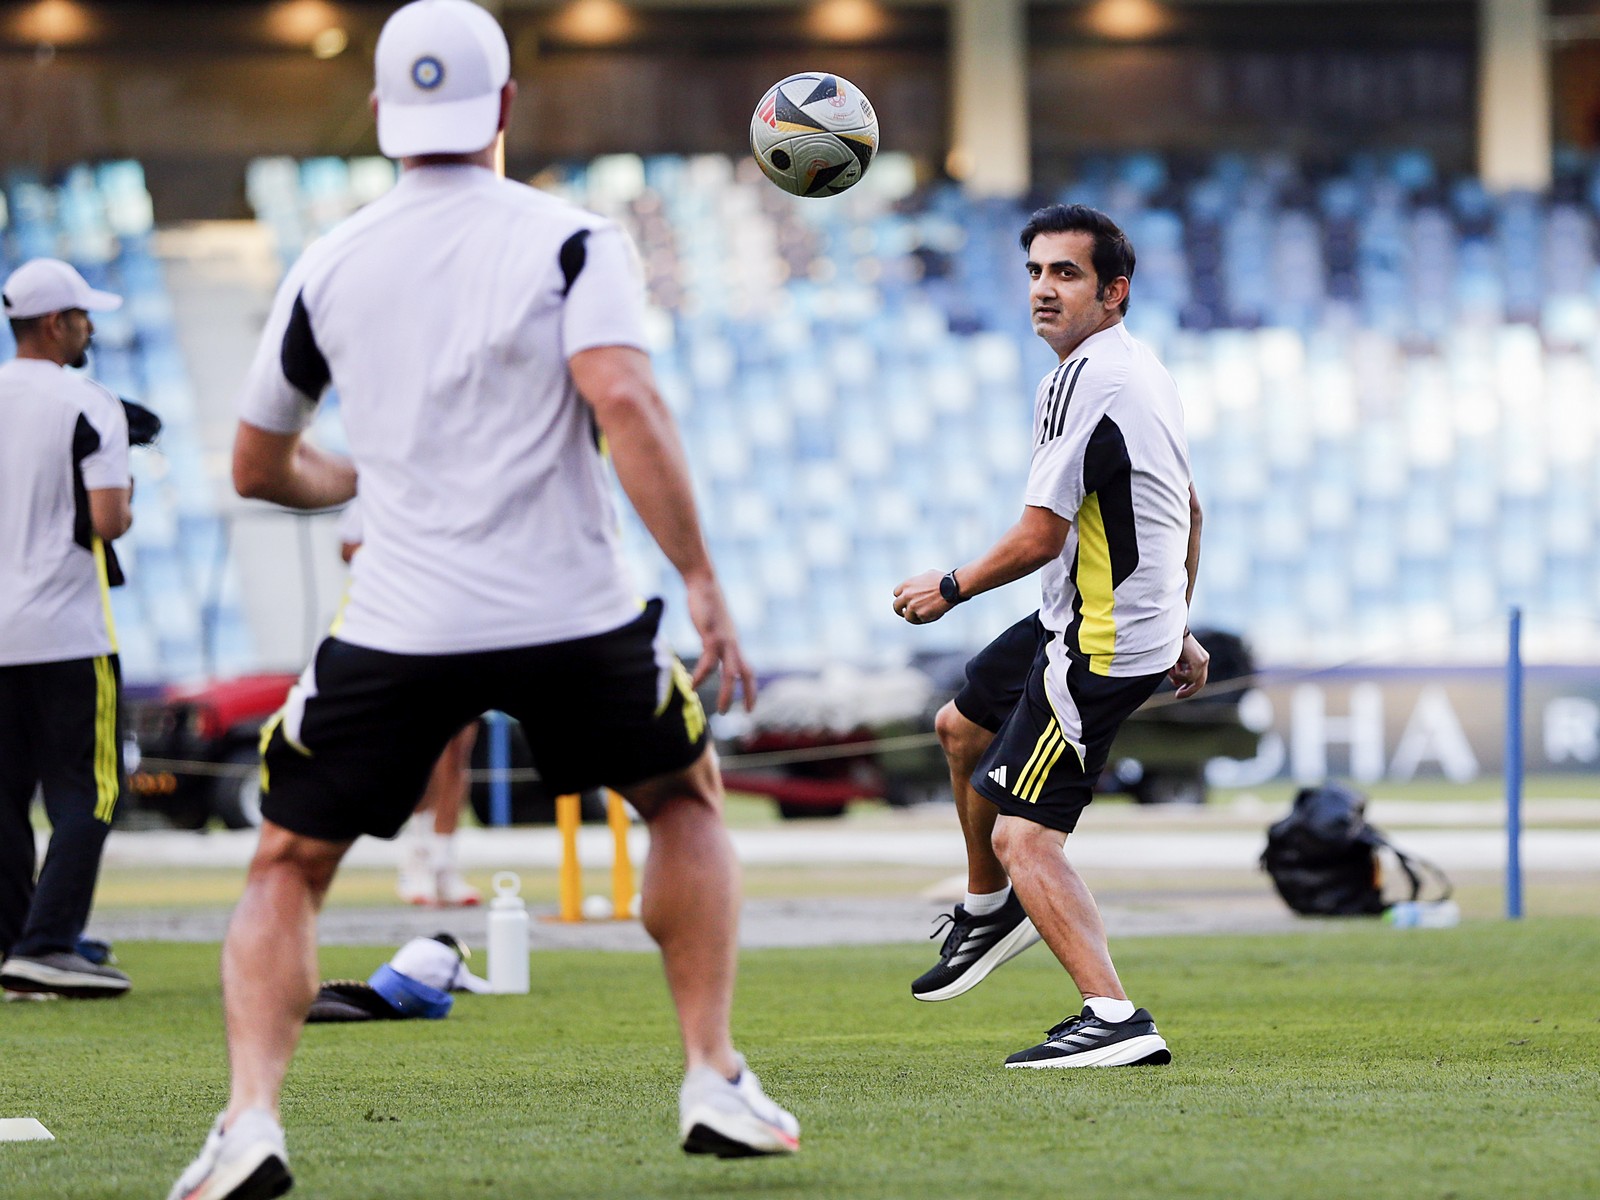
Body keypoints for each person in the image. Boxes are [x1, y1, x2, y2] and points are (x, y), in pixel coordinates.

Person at [168, 4, 797, 1197]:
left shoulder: (327, 262)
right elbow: (622, 398)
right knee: (682, 798)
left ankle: (249, 1120)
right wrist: (701, 578)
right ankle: (712, 1074)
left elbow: (256, 467)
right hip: (572, 611)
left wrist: (355, 477)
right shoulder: (571, 241)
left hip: (402, 619)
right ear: (504, 106)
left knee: (288, 863)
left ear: (380, 116)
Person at [893, 204, 1209, 1068]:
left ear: (1114, 292)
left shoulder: (1089, 381)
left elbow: (1039, 536)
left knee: (1024, 837)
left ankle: (1114, 1017)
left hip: (1099, 641)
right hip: (1093, 617)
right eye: (1034, 271)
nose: (1043, 288)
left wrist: (949, 587)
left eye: (1066, 273)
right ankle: (990, 911)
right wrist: (1178, 623)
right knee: (960, 726)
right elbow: (1189, 509)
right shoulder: (1139, 368)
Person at [0, 258, 135, 1000]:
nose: (89, 329)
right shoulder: (88, 401)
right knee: (91, 793)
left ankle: (14, 943)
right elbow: (109, 519)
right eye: (83, 317)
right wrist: (129, 480)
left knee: (4, 796)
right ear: (56, 324)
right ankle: (48, 943)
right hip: (65, 632)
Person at [337, 500, 481, 908]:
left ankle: (445, 864)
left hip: (466, 627)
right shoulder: (386, 487)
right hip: (411, 628)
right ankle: (416, 859)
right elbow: (348, 546)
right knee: (427, 748)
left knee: (459, 752)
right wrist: (407, 562)